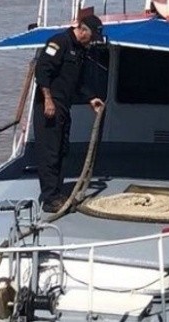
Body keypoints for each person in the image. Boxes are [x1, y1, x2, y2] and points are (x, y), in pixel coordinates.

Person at [33, 14, 105, 213]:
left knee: (62, 150)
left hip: (64, 106)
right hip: (49, 106)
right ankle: (49, 199)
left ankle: (58, 193)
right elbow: (42, 71)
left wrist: (91, 98)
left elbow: (77, 81)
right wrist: (47, 99)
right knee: (50, 152)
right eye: (90, 36)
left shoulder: (79, 50)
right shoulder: (59, 42)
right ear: (82, 29)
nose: (91, 41)